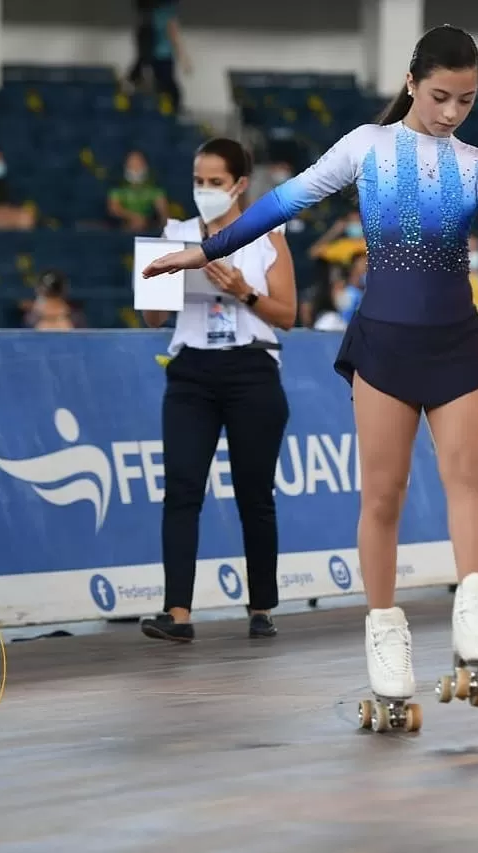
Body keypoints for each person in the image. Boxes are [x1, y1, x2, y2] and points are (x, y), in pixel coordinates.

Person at [141, 26, 478, 723]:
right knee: (383, 498)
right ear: (409, 83)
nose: (452, 112)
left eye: (466, 100)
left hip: (455, 341)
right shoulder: (367, 146)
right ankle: (386, 641)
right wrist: (203, 250)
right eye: (439, 96)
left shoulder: (477, 163)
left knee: (466, 477)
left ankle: (474, 610)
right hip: (385, 345)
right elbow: (282, 203)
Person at [139, 137, 297, 644]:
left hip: (251, 369)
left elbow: (289, 315)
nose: (204, 191)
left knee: (255, 493)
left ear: (240, 186)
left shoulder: (266, 233)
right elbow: (153, 316)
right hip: (192, 372)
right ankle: (177, 612)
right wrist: (162, 277)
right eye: (198, 182)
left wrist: (241, 291)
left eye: (215, 183)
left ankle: (261, 606)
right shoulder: (176, 234)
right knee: (182, 489)